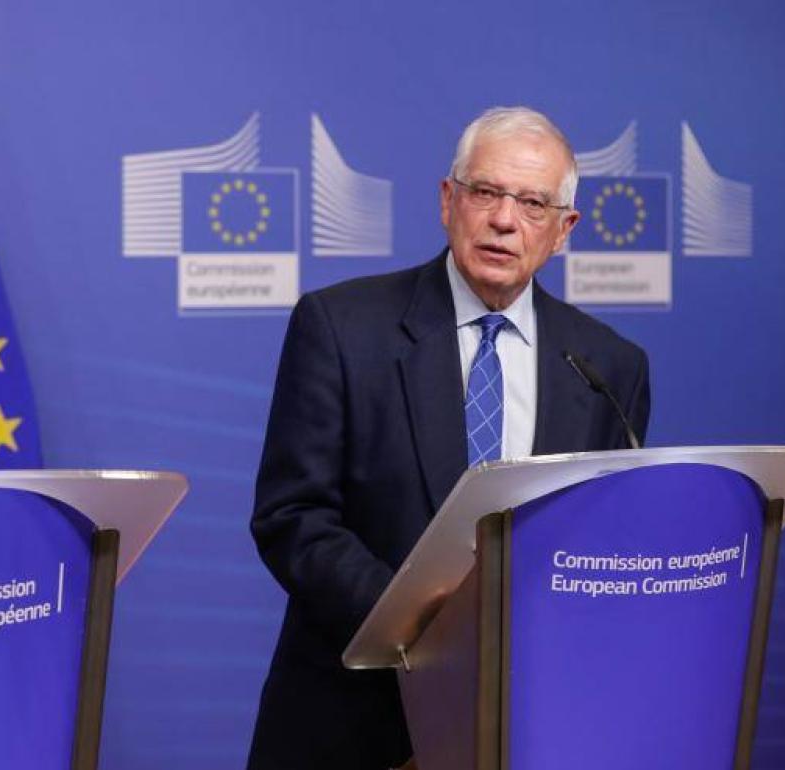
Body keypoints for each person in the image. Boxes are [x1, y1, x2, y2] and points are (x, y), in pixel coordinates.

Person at [247, 107, 650, 769]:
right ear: (447, 200)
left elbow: (603, 545)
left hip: (533, 724)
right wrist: (423, 631)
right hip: (354, 720)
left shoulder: (608, 366)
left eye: (532, 203)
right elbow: (292, 517)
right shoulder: (343, 328)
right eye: (486, 192)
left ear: (564, 229)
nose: (503, 219)